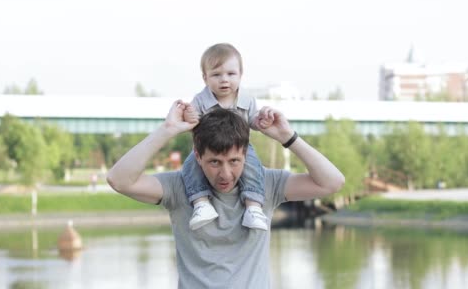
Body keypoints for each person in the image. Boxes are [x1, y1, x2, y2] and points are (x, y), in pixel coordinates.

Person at [107, 100, 344, 288]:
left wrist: (287, 137)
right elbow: (119, 180)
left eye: (234, 161)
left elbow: (332, 182)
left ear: (245, 155)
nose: (226, 173)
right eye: (214, 162)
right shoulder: (180, 188)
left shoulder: (265, 184)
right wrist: (167, 130)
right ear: (198, 157)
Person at [181, 43, 267, 231]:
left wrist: (261, 122)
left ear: (240, 75)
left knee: (253, 165)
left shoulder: (247, 99)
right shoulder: (201, 100)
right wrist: (188, 116)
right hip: (208, 149)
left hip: (239, 148)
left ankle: (253, 207)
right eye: (216, 75)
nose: (224, 80)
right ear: (205, 78)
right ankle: (201, 202)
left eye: (231, 74)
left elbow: (252, 120)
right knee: (190, 166)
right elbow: (192, 122)